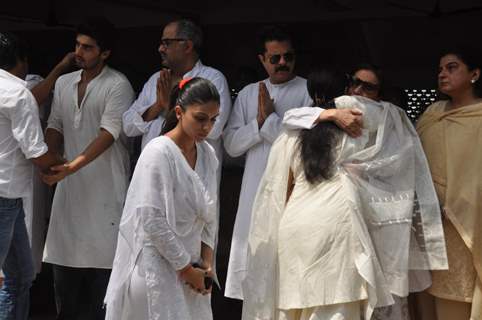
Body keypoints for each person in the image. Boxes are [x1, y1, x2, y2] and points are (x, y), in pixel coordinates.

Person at [242, 68, 448, 320]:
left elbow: (282, 184)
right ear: (347, 88)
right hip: (338, 221)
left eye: (367, 87)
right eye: (356, 84)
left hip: (296, 223)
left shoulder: (296, 127)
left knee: (298, 304)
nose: (359, 91)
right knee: (337, 305)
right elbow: (402, 159)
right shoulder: (374, 118)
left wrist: (326, 112)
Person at [224, 28, 365, 300]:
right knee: (253, 272)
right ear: (262, 60)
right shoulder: (247, 94)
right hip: (254, 186)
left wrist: (271, 122)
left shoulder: (307, 89)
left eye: (287, 57)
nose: (282, 63)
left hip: (293, 186)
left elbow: (305, 138)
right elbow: (231, 145)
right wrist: (260, 123)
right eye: (274, 58)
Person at [41, 17, 134, 319]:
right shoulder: (66, 83)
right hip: (70, 196)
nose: (79, 53)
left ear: (105, 53)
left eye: (88, 48)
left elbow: (108, 134)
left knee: (101, 293)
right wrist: (49, 156)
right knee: (65, 293)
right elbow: (55, 123)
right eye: (77, 45)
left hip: (105, 192)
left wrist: (71, 167)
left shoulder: (118, 84)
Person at [105, 77, 220, 320]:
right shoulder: (158, 151)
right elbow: (151, 219)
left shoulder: (208, 155)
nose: (207, 127)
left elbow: (210, 215)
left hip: (195, 272)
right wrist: (185, 269)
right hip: (155, 269)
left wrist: (206, 266)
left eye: (213, 120)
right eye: (200, 118)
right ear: (179, 112)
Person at [0, 32, 64, 320]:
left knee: (22, 276)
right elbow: (36, 154)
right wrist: (68, 164)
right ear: (22, 61)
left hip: (10, 201)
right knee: (17, 278)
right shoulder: (18, 93)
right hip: (4, 196)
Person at [416, 47, 482, 320]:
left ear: (474, 74)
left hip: (467, 224)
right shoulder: (430, 115)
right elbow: (414, 166)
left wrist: (457, 201)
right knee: (430, 297)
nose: (442, 74)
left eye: (452, 67)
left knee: (461, 296)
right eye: (440, 69)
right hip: (430, 227)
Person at [122, 19, 231, 163]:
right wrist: (157, 106)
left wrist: (168, 107)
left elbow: (213, 129)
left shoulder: (212, 78)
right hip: (153, 169)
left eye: (167, 43)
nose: (160, 48)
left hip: (193, 174)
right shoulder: (156, 79)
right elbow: (128, 126)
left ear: (187, 46)